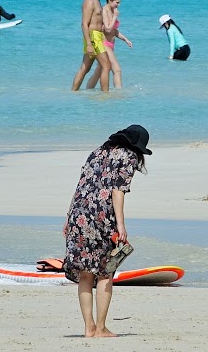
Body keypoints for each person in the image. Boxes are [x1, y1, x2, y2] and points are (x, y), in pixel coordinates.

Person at [62, 124, 149, 338]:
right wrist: (120, 225)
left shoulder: (97, 152)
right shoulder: (128, 156)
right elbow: (117, 191)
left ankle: (88, 327)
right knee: (104, 273)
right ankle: (100, 328)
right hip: (102, 217)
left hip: (78, 214)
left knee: (85, 274)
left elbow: (80, 185)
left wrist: (68, 217)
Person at [71, 0, 112, 93]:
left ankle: (73, 92)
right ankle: (105, 95)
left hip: (97, 36)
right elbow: (84, 24)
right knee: (106, 66)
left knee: (85, 68)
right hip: (93, 37)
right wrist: (89, 43)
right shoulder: (89, 1)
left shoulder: (97, 0)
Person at [99, 0, 130, 90]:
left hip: (111, 44)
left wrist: (125, 39)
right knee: (117, 70)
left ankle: (88, 90)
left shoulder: (112, 10)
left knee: (98, 71)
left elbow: (114, 31)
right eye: (117, 2)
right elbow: (108, 29)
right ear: (110, 0)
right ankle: (119, 93)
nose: (118, 5)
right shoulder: (105, 11)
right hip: (104, 44)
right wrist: (115, 17)